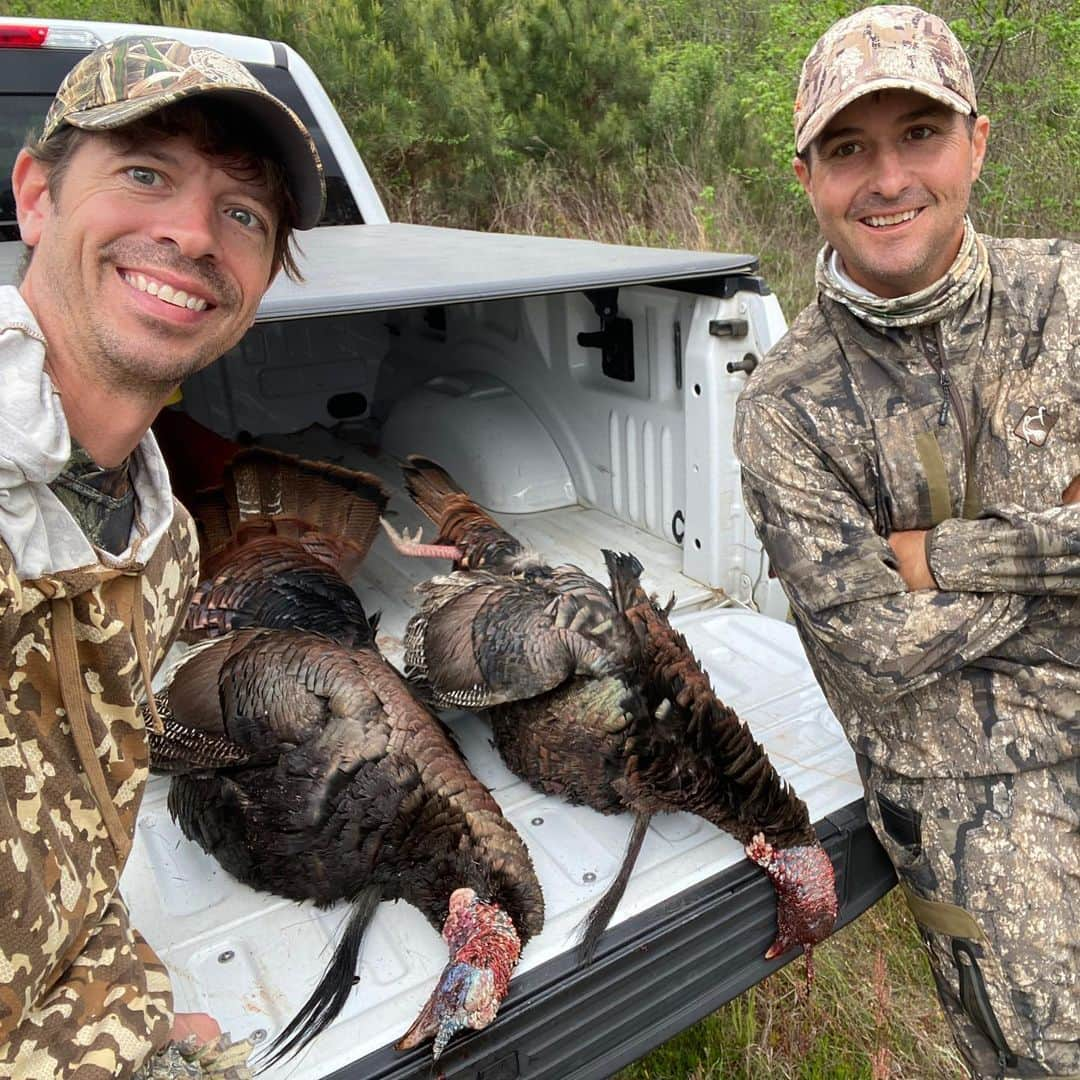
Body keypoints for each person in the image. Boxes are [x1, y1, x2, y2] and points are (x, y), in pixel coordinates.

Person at [734, 6, 1078, 1079]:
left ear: (978, 140)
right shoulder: (786, 405)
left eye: (919, 134)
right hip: (966, 783)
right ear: (809, 178)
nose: (887, 179)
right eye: (849, 148)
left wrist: (936, 556)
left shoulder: (1067, 295)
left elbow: (905, 604)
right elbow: (877, 651)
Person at [0, 35, 324, 1076]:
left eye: (243, 214)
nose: (190, 234)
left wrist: (120, 1008)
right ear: (36, 196)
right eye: (145, 173)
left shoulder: (165, 542)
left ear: (261, 279)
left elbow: (74, 843)